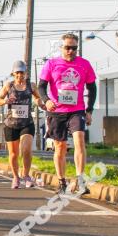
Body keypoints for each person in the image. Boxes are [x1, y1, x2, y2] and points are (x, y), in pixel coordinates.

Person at [38, 33, 97, 194]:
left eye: (74, 48)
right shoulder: (52, 64)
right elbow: (41, 86)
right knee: (60, 146)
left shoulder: (84, 64)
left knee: (79, 140)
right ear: (61, 48)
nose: (70, 51)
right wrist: (46, 100)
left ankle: (80, 180)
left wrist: (89, 110)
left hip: (76, 110)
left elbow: (92, 88)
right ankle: (62, 181)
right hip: (57, 111)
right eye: (67, 48)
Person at [0, 61, 42, 189]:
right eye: (17, 73)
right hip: (11, 124)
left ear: (26, 73)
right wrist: (5, 101)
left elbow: (38, 97)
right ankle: (16, 177)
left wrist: (39, 102)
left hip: (27, 123)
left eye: (22, 73)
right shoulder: (8, 86)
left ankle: (26, 175)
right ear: (13, 73)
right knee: (13, 153)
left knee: (26, 149)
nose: (20, 75)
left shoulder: (31, 86)